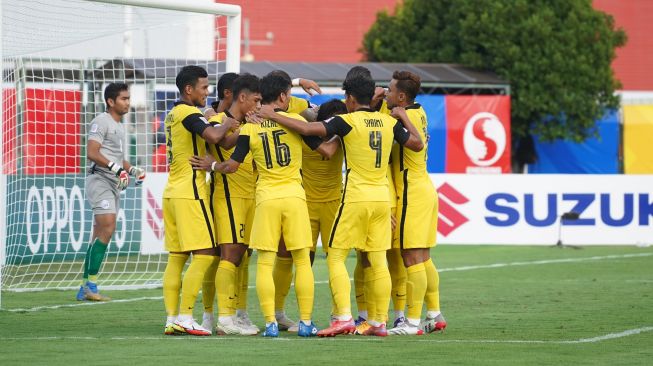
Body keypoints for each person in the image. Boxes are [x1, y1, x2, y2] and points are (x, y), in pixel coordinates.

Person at [258, 72, 424, 337]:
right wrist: (404, 118)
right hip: (382, 199)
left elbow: (311, 129)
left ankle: (343, 318)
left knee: (335, 256)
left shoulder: (346, 122)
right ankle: (379, 322)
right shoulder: (387, 122)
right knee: (378, 259)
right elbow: (416, 144)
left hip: (355, 197)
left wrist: (274, 115)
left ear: (349, 98)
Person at [198, 73, 337, 337]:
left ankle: (271, 322)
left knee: (264, 261)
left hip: (265, 199)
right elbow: (326, 151)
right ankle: (306, 322)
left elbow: (231, 165)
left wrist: (212, 165)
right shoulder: (296, 122)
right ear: (284, 96)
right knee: (302, 261)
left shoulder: (250, 127)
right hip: (295, 198)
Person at [161, 65, 239, 336]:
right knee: (206, 254)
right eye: (204, 88)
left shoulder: (172, 113)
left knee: (177, 257)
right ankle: (185, 316)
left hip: (171, 191)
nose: (207, 92)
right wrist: (227, 122)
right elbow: (217, 136)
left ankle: (172, 318)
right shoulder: (188, 113)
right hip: (190, 193)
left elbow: (225, 143)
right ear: (189, 90)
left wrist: (236, 128)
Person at [384, 70, 447, 335]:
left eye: (388, 90)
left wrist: (400, 117)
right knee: (423, 257)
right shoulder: (419, 111)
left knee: (410, 257)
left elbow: (417, 144)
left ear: (401, 96)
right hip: (425, 189)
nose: (384, 93)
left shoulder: (404, 116)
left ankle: (411, 321)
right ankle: (434, 313)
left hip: (412, 192)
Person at [76, 83, 146, 302]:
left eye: (128, 98)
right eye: (124, 98)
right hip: (100, 180)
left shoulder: (120, 126)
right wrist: (115, 168)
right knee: (108, 227)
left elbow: (117, 158)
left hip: (114, 181)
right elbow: (92, 152)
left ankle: (83, 287)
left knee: (99, 233)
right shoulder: (101, 121)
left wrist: (131, 169)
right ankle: (92, 286)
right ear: (111, 101)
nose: (128, 102)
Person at [205, 74, 261, 336]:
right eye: (256, 100)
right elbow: (219, 142)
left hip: (250, 196)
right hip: (228, 197)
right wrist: (243, 129)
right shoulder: (218, 122)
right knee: (229, 256)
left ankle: (239, 312)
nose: (259, 105)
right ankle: (223, 317)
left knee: (244, 257)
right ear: (242, 97)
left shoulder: (250, 122)